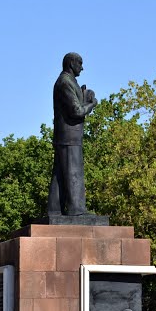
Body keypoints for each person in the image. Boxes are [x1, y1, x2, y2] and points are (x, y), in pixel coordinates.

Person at [47, 52, 97, 218]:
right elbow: (76, 111)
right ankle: (77, 209)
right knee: (74, 172)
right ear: (71, 63)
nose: (82, 68)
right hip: (69, 136)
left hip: (66, 136)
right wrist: (91, 104)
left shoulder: (68, 82)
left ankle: (54, 210)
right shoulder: (65, 82)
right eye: (80, 63)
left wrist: (83, 97)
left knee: (60, 175)